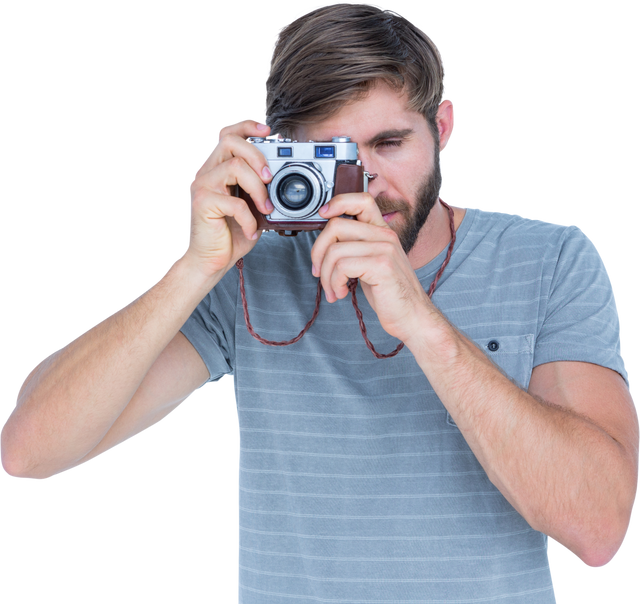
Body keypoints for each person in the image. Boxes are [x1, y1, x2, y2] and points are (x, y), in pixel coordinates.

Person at [2, 2, 637, 602]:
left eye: (388, 144)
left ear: (442, 128)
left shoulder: (550, 258)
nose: (365, 183)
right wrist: (196, 266)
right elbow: (29, 453)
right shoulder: (249, 270)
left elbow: (599, 530)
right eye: (330, 156)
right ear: (279, 152)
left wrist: (421, 322)